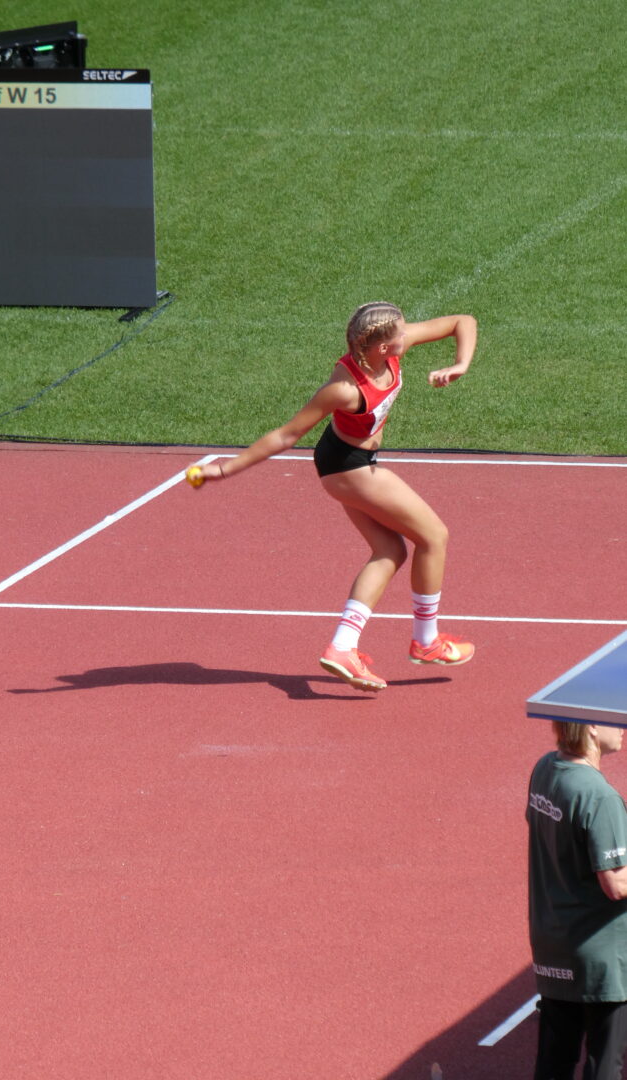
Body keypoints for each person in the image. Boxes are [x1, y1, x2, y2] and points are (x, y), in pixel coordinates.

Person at [193, 300, 477, 691]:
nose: (408, 332)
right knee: (434, 536)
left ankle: (342, 647)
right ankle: (426, 641)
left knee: (390, 551)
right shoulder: (343, 390)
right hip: (347, 466)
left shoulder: (393, 346)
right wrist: (226, 468)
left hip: (354, 461)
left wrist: (460, 364)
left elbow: (463, 321)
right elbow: (287, 434)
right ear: (381, 347)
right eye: (401, 330)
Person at [527, 720, 627, 1080]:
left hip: (553, 942)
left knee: (555, 1059)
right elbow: (616, 883)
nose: (624, 727)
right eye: (618, 718)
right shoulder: (600, 797)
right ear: (593, 726)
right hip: (600, 958)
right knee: (605, 1062)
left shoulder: (544, 769)